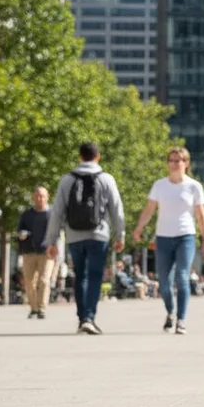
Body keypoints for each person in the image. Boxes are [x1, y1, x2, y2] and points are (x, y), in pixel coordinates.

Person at [43, 142, 125, 335]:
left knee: (81, 275)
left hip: (74, 235)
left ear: (80, 157)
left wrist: (52, 240)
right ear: (98, 156)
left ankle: (82, 318)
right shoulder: (106, 179)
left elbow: (57, 212)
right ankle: (90, 317)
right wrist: (120, 234)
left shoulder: (67, 180)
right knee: (95, 276)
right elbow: (116, 209)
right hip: (99, 234)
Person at [131, 147, 204, 335]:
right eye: (171, 160)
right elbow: (149, 209)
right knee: (164, 283)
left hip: (186, 237)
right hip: (163, 237)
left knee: (182, 276)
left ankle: (181, 319)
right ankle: (170, 312)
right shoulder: (159, 185)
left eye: (178, 160)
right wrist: (139, 228)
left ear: (186, 163)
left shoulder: (193, 186)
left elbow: (201, 215)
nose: (174, 164)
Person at [17, 186, 53, 319]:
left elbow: (57, 233)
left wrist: (55, 248)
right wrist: (22, 235)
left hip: (46, 252)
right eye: (37, 195)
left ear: (47, 197)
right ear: (33, 197)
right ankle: (33, 308)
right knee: (29, 281)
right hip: (29, 251)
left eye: (42, 196)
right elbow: (20, 230)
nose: (39, 198)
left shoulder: (52, 214)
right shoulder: (27, 214)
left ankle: (42, 308)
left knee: (44, 280)